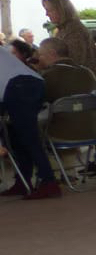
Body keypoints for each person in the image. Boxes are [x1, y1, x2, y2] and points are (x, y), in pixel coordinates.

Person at [33, 37, 96, 173]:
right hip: (92, 131)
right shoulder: (87, 73)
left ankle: (48, 173)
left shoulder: (48, 77)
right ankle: (69, 171)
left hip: (61, 133)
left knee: (29, 127)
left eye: (41, 55)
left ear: (52, 54)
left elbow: (37, 103)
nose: (39, 59)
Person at [0, 50, 58, 199]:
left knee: (28, 137)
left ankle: (49, 183)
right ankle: (22, 182)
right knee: (16, 136)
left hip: (18, 86)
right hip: (26, 83)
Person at [41, 0, 96, 106]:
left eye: (49, 10)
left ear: (61, 10)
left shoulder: (74, 30)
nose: (47, 14)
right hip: (84, 79)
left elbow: (76, 60)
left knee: (88, 118)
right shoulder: (63, 29)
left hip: (89, 80)